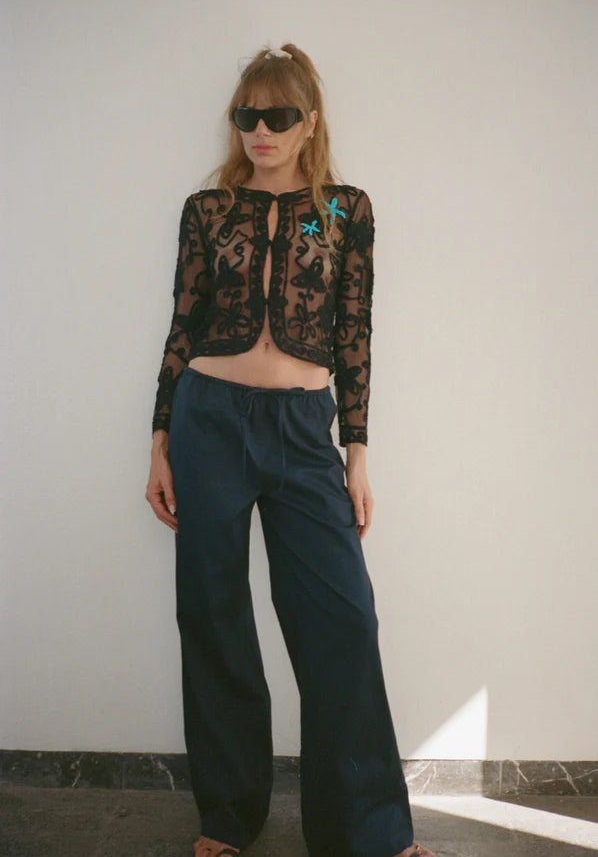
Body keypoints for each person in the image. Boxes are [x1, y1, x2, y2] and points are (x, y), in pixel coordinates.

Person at [146, 43, 437, 857]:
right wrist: (160, 439)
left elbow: (355, 333)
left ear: (310, 121)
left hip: (306, 430)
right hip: (208, 420)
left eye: (277, 114)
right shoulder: (207, 210)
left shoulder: (347, 210)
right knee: (213, 615)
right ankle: (227, 815)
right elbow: (182, 324)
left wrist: (357, 452)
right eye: (247, 114)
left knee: (343, 620)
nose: (260, 130)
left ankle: (368, 830)